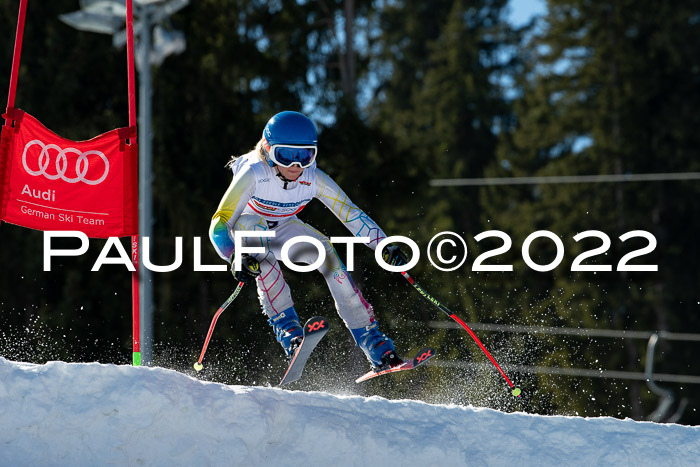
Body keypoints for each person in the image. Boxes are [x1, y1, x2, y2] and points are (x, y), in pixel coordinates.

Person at [209, 111, 409, 370]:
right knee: (261, 250)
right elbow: (220, 221)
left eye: (304, 156)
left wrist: (383, 245)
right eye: (286, 156)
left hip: (284, 227)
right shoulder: (254, 172)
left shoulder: (311, 178)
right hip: (249, 228)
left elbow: (351, 214)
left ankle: (373, 343)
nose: (295, 166)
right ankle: (288, 331)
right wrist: (234, 254)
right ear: (268, 150)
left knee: (327, 255)